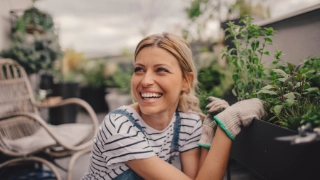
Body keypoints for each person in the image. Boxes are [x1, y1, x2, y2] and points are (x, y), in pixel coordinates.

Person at [82, 32, 265, 180]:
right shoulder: (119, 127)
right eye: (139, 69)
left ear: (186, 81)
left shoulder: (186, 121)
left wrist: (211, 131)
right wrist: (228, 125)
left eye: (161, 70)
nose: (145, 80)